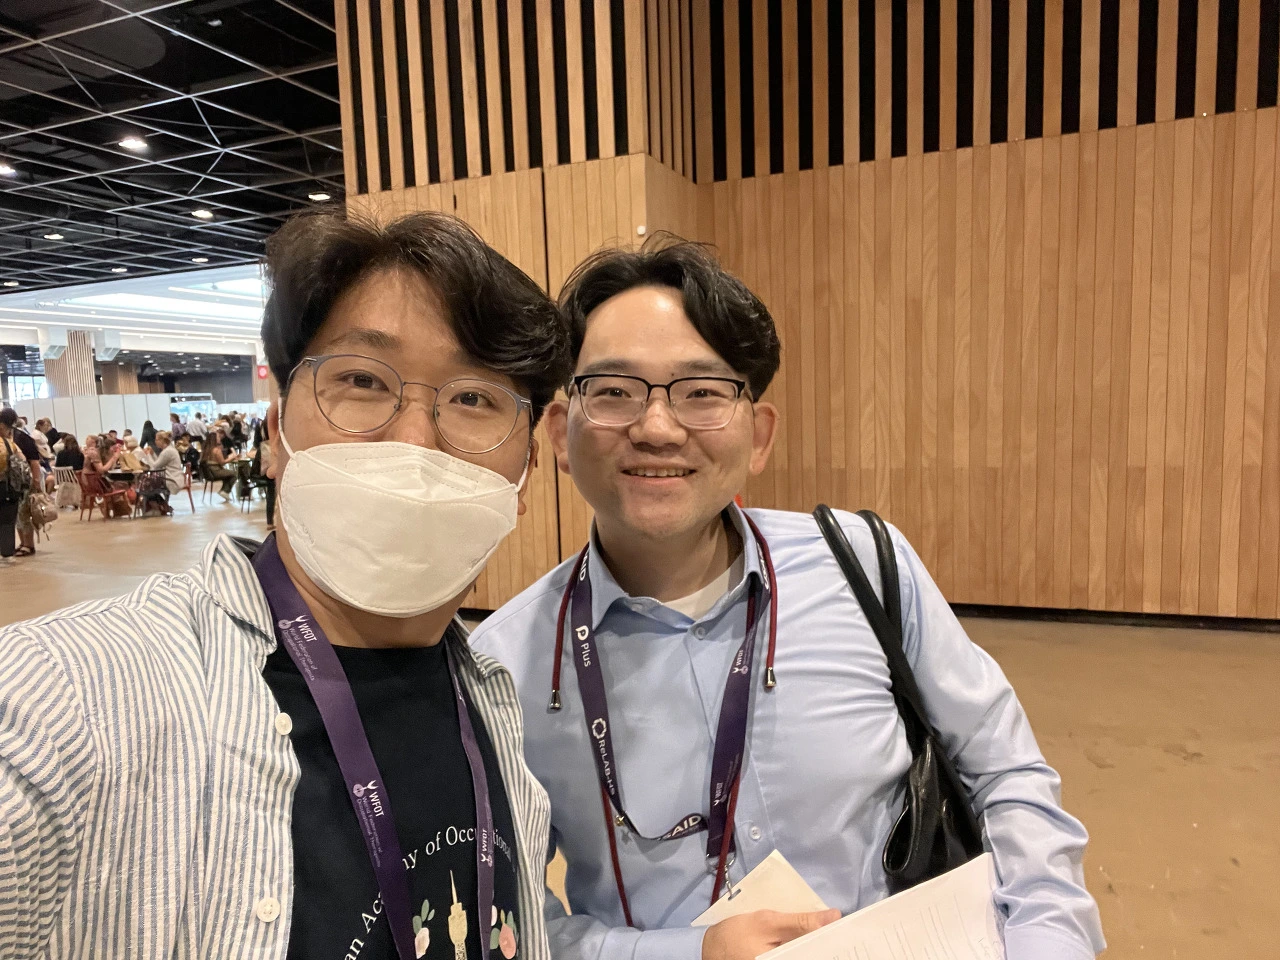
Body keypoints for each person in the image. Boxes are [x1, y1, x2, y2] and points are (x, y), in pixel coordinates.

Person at [470, 241, 1106, 960]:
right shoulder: (505, 666)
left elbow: (1005, 771)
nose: (657, 428)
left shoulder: (865, 566)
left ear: (759, 436)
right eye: (614, 391)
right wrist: (684, 955)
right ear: (560, 433)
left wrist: (1048, 937)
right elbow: (513, 918)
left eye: (702, 392)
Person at [0, 209, 573, 959]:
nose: (414, 441)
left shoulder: (493, 698)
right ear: (276, 435)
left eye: (473, 399)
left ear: (527, 473)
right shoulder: (63, 701)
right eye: (362, 381)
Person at [0, 408, 42, 558]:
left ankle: (29, 544)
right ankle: (23, 543)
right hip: (13, 483)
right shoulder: (11, 438)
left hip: (23, 481)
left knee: (24, 513)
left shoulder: (21, 438)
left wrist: (36, 481)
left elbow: (34, 462)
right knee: (16, 514)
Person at [251, 419, 277, 529]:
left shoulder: (262, 424)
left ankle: (270, 522)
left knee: (271, 493)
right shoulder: (275, 421)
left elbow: (256, 443)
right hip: (273, 455)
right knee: (273, 492)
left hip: (263, 458)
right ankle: (273, 521)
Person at [200, 427, 237, 502]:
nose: (219, 438)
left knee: (228, 475)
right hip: (215, 471)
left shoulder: (205, 450)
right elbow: (222, 462)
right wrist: (231, 458)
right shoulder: (216, 450)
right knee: (234, 474)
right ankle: (225, 491)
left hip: (207, 473)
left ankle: (224, 491)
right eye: (218, 437)